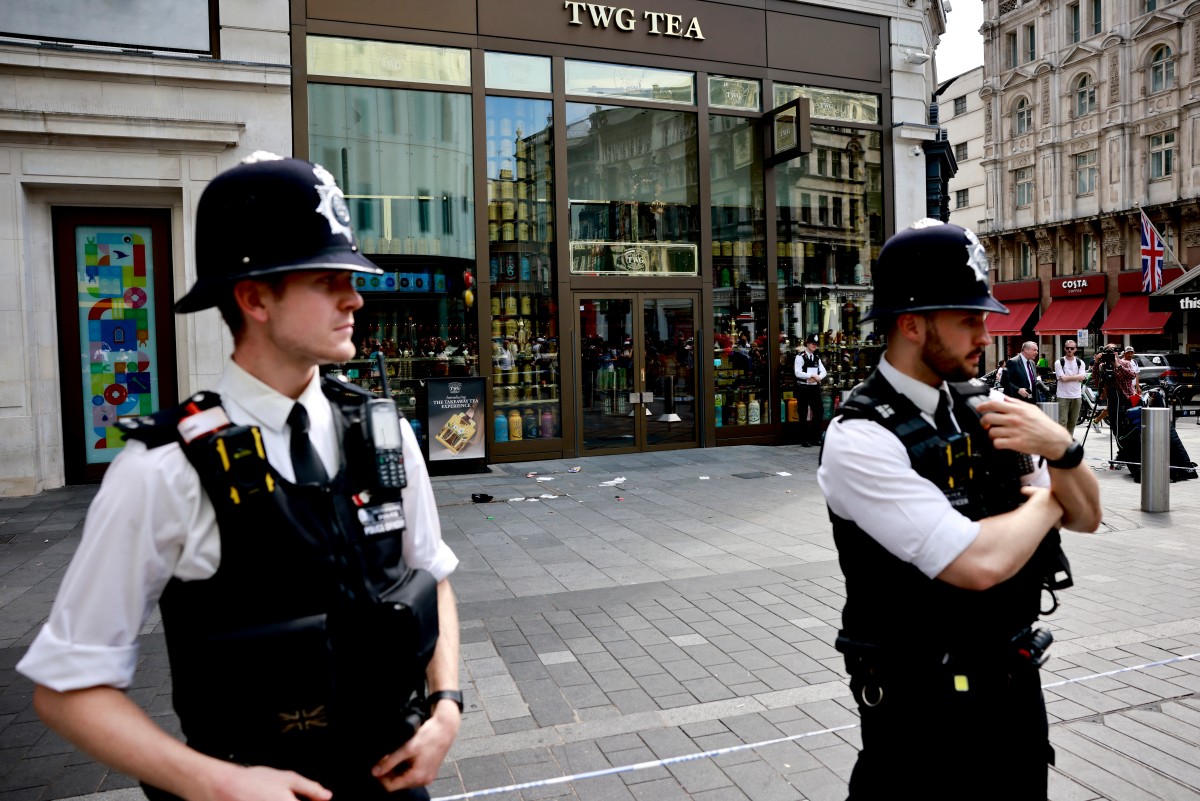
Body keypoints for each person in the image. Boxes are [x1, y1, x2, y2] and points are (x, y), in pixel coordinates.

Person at [18, 154, 462, 801]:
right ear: (253, 297)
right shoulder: (163, 470)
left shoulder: (383, 432)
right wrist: (218, 783)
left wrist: (446, 705)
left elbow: (432, 576)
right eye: (327, 277)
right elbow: (66, 687)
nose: (356, 297)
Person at [818, 219, 1101, 800]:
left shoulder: (989, 406)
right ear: (912, 324)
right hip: (921, 715)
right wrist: (1051, 497)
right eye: (968, 319)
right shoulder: (860, 438)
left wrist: (1061, 448)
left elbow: (1090, 515)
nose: (985, 332)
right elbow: (976, 563)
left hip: (1012, 692)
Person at [793, 333, 828, 447]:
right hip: (803, 388)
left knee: (819, 411)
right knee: (803, 413)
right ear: (807, 343)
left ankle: (815, 437)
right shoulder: (800, 356)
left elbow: (824, 372)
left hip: (813, 388)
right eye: (813, 343)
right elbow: (797, 372)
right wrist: (811, 375)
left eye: (816, 344)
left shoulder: (816, 357)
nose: (814, 346)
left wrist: (818, 378)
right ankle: (805, 439)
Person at [1054, 340, 1087, 431]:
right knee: (1062, 422)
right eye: (1067, 348)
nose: (1069, 350)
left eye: (1072, 348)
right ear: (1064, 349)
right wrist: (1077, 377)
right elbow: (1063, 379)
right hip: (1062, 396)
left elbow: (1082, 377)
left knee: (1072, 422)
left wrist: (1067, 377)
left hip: (1076, 396)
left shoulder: (1080, 362)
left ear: (1075, 349)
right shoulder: (1059, 362)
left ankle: (1069, 443)